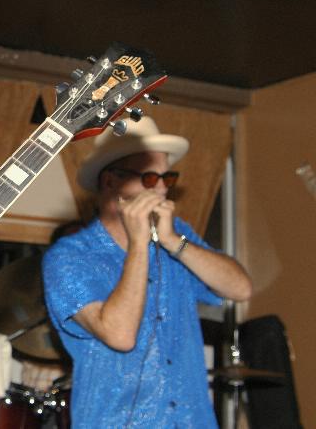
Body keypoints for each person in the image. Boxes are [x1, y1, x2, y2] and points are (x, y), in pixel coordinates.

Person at [42, 116, 252, 428]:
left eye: (167, 179)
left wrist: (172, 241)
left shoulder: (177, 235)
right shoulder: (69, 257)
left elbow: (240, 288)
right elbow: (120, 335)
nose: (162, 190)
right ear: (110, 182)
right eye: (150, 179)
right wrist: (139, 244)